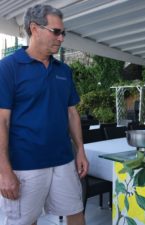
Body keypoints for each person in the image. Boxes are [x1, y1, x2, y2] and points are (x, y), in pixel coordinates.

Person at [0, 4, 89, 225]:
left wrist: (80, 151)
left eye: (63, 33)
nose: (61, 38)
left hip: (63, 161)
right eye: (56, 31)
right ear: (35, 28)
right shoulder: (8, 68)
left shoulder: (63, 71)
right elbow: (2, 120)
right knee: (25, 221)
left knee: (76, 213)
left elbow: (72, 114)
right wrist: (4, 171)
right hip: (25, 164)